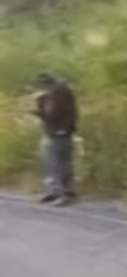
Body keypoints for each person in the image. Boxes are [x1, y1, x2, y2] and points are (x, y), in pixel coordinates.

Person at [33, 73, 78, 206]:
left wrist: (39, 109)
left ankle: (62, 192)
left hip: (57, 132)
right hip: (63, 131)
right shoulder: (63, 92)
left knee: (56, 163)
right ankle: (59, 191)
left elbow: (52, 114)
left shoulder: (56, 94)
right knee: (61, 162)